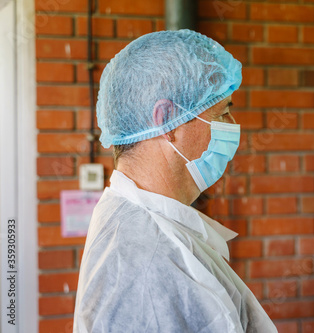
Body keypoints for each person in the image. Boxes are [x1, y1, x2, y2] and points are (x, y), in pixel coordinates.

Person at [73, 30, 277, 333]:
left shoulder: (142, 222)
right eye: (223, 113)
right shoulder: (147, 264)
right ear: (167, 119)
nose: (233, 128)